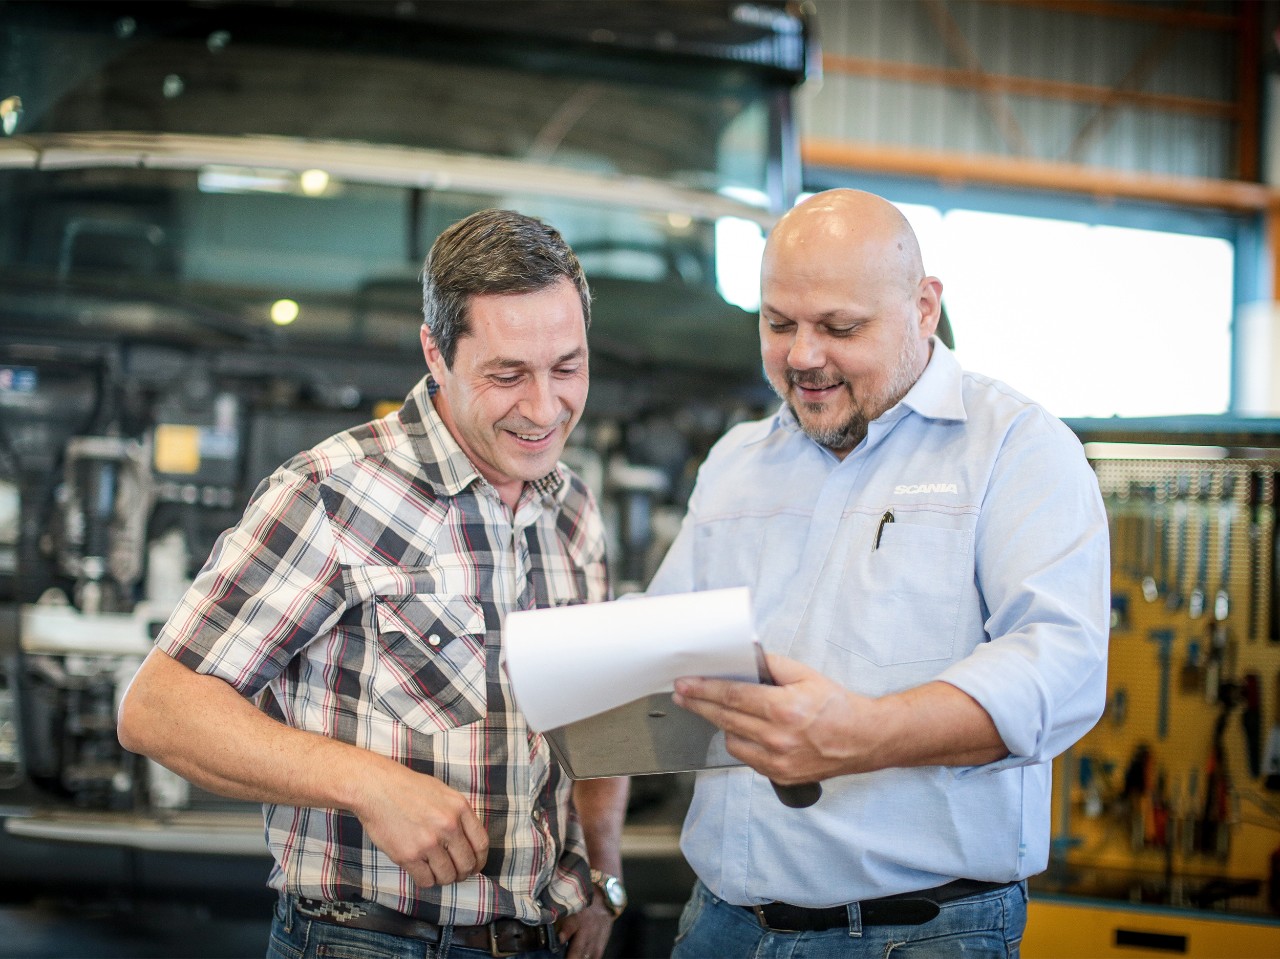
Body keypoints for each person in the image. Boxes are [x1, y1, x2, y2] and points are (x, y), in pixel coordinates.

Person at [118, 209, 629, 959]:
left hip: (539, 936)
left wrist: (603, 872)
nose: (545, 408)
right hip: (367, 942)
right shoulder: (331, 493)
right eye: (507, 374)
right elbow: (158, 707)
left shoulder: (574, 510)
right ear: (435, 352)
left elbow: (596, 710)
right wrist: (367, 782)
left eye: (568, 367)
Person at [649, 189, 1109, 958]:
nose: (802, 355)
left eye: (839, 327)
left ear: (924, 308)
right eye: (777, 323)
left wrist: (864, 734)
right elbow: (663, 654)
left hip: (916, 936)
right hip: (721, 925)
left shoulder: (1016, 450)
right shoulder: (736, 462)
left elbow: (1060, 667)